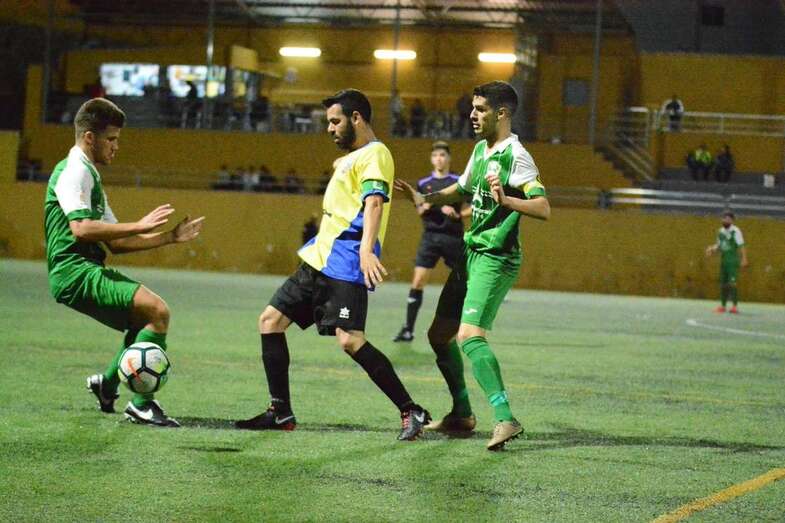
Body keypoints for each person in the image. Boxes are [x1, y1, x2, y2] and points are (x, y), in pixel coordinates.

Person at [236, 89, 431, 441]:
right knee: (270, 321)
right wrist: (344, 164)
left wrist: (367, 251)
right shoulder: (358, 156)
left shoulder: (377, 154)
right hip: (318, 257)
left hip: (345, 259)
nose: (329, 128)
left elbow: (374, 203)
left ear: (357, 118)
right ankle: (280, 412)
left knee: (350, 340)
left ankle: (410, 410)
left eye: (335, 121)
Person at [395, 81, 550, 451]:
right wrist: (425, 197)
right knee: (438, 335)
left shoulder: (517, 156)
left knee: (469, 336)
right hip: (470, 254)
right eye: (473, 108)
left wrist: (508, 201)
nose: (472, 115)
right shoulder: (481, 149)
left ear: (502, 113)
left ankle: (505, 418)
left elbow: (543, 207)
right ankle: (462, 414)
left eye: (480, 109)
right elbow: (462, 189)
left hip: (496, 257)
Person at [44, 98, 204, 427]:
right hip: (74, 271)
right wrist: (140, 224)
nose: (116, 146)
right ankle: (142, 404)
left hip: (85, 269)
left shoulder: (89, 174)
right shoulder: (74, 172)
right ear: (90, 137)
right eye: (111, 139)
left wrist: (169, 237)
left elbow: (116, 243)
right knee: (157, 311)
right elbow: (81, 228)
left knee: (143, 320)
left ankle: (107, 385)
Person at [393, 141, 469, 343]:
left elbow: (473, 206)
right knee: (418, 281)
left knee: (463, 283)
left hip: (453, 237)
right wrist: (428, 205)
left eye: (442, 155)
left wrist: (458, 214)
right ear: (431, 159)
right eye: (435, 156)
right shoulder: (424, 183)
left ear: (448, 158)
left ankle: (465, 329)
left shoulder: (458, 181)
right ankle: (408, 330)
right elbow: (419, 209)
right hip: (430, 237)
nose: (439, 159)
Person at [705, 212, 748, 314]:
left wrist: (744, 259)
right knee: (723, 284)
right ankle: (723, 306)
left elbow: (741, 245)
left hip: (732, 261)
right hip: (723, 261)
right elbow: (720, 246)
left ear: (732, 221)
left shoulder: (736, 231)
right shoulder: (720, 231)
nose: (725, 221)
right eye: (724, 219)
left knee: (732, 283)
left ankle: (734, 307)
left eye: (728, 219)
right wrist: (712, 249)